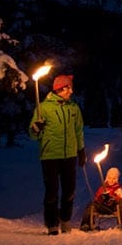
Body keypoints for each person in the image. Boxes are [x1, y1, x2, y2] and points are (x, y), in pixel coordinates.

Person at [28, 73, 86, 235]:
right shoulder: (44, 108)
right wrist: (36, 128)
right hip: (50, 156)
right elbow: (33, 135)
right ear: (60, 89)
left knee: (70, 190)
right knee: (52, 191)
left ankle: (65, 219)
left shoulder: (73, 108)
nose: (71, 92)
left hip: (69, 155)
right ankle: (52, 223)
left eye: (71, 88)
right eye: (68, 88)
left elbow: (78, 130)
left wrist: (81, 150)